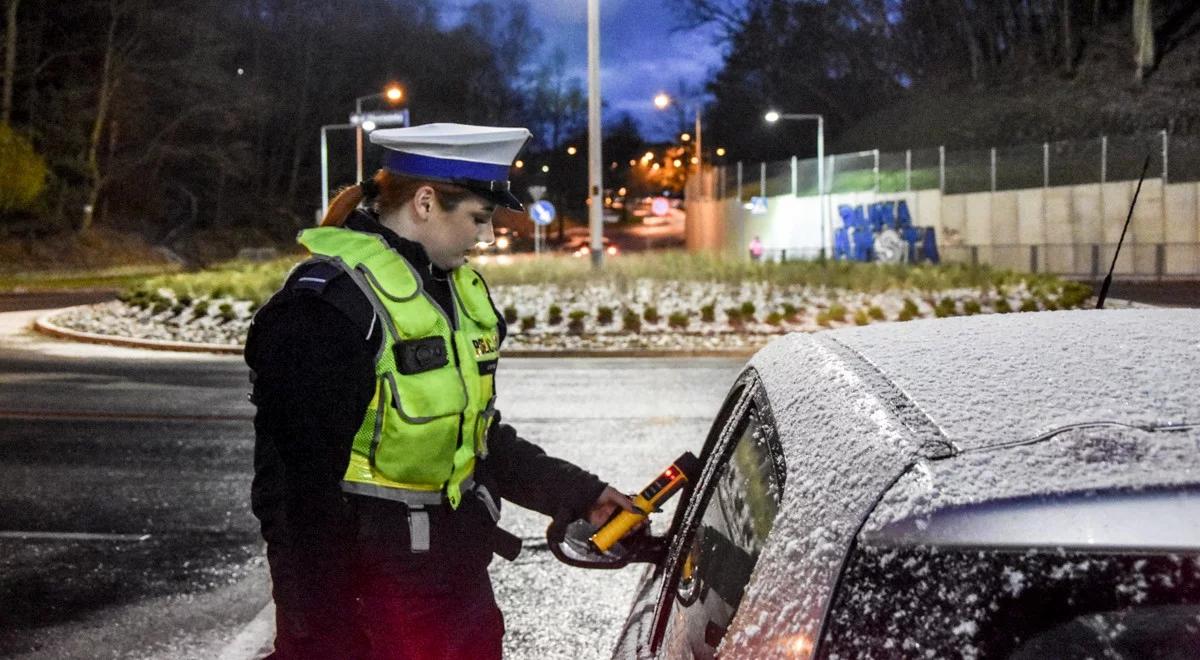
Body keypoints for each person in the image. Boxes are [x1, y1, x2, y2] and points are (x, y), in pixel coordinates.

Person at [245, 123, 636, 659]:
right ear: (426, 202)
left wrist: (578, 495)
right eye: (479, 218)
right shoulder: (327, 309)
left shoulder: (448, 291)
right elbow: (293, 499)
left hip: (453, 593)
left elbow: (473, 437)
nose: (488, 237)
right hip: (367, 612)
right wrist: (323, 637)